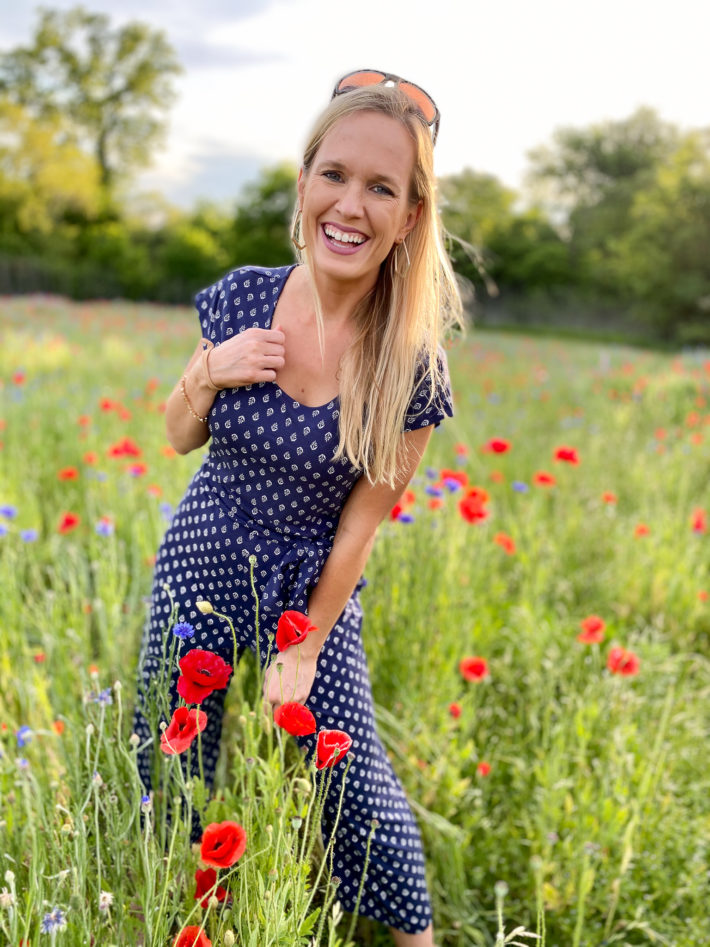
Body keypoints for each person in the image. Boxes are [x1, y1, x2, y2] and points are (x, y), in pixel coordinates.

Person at [133, 70, 463, 946]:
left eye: (381, 187)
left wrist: (308, 641)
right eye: (335, 174)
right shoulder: (241, 296)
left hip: (311, 580)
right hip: (204, 547)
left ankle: (414, 936)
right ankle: (178, 909)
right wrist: (209, 370)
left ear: (410, 217)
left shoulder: (411, 367)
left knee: (353, 776)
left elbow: (360, 522)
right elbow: (176, 435)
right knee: (171, 749)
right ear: (306, 181)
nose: (350, 204)